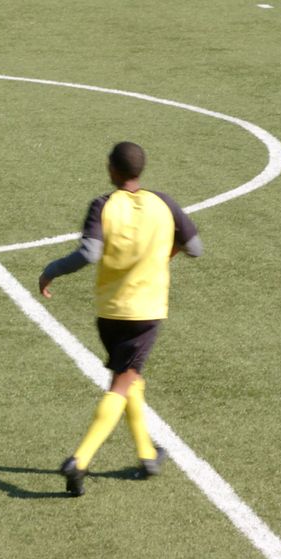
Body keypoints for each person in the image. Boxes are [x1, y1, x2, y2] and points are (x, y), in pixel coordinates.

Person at [38, 142, 202, 496]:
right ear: (140, 170)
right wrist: (163, 257)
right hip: (145, 312)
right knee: (122, 383)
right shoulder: (164, 203)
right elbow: (195, 247)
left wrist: (51, 270)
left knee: (128, 377)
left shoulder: (103, 205)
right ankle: (79, 461)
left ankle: (147, 455)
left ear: (112, 169)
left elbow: (89, 253)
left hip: (108, 313)